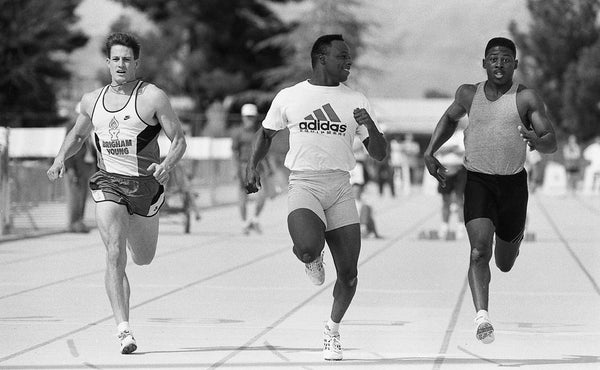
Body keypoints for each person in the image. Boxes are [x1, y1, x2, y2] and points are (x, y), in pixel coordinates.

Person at [245, 34, 387, 360]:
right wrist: (251, 167)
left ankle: (332, 330)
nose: (349, 62)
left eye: (349, 57)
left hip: (339, 187)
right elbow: (265, 133)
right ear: (322, 58)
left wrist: (372, 129)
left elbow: (378, 154)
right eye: (342, 56)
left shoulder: (356, 101)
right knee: (308, 247)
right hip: (304, 184)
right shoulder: (290, 96)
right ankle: (312, 259)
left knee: (349, 275)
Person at [47, 32, 187, 354]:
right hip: (108, 182)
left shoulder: (152, 97)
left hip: (146, 187)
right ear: (107, 62)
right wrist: (58, 159)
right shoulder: (91, 100)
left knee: (143, 257)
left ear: (136, 63)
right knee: (113, 253)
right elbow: (79, 135)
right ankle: (123, 329)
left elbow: (178, 139)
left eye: (127, 59)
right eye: (116, 59)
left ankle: (134, 236)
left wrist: (166, 164)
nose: (121, 64)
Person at [424, 37, 556, 344]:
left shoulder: (525, 98)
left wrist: (536, 140)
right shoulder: (468, 94)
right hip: (478, 181)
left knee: (504, 262)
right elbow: (448, 118)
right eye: (493, 59)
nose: (499, 64)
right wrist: (430, 151)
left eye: (506, 59)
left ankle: (514, 237)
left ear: (515, 64)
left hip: (512, 185)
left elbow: (551, 140)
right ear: (484, 63)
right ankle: (482, 316)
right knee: (478, 250)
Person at [231, 103, 272, 234]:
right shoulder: (238, 133)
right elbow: (234, 152)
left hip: (257, 167)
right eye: (247, 116)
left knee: (262, 195)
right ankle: (244, 224)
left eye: (252, 117)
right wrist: (234, 169)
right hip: (243, 166)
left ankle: (254, 219)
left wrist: (268, 167)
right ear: (243, 117)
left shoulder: (260, 132)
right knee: (243, 197)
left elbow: (264, 151)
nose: (250, 119)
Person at [434, 126, 466, 240]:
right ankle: (444, 226)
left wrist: (446, 149)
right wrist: (451, 148)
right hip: (444, 169)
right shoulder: (440, 134)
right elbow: (435, 150)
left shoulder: (461, 134)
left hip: (459, 169)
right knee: (445, 200)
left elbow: (464, 150)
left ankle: (460, 226)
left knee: (460, 199)